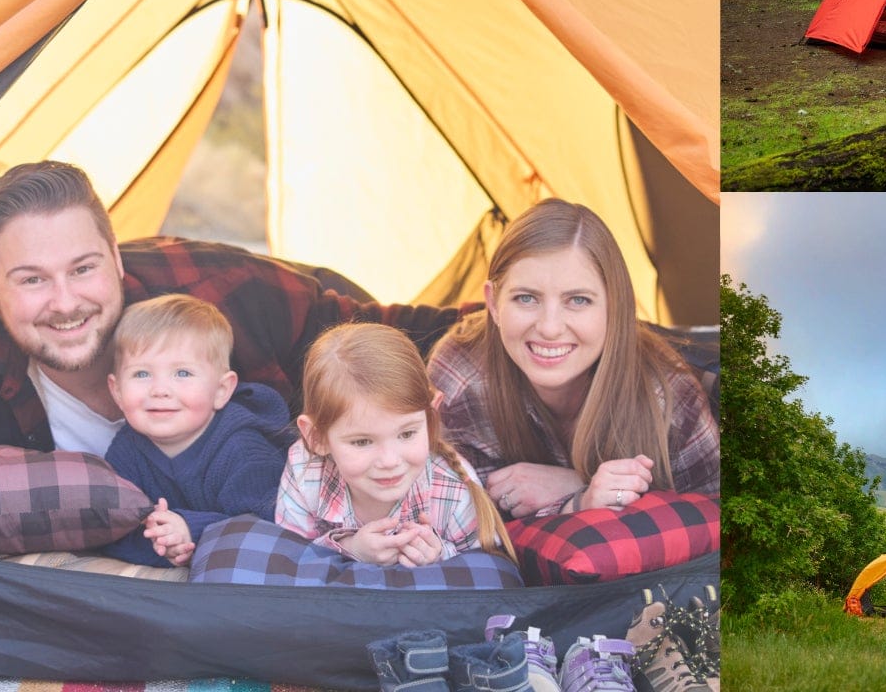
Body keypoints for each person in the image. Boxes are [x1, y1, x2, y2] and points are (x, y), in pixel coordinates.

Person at [0, 160, 465, 459]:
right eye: (31, 280)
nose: (67, 302)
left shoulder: (224, 291)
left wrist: (531, 327)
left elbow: (404, 337)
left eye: (83, 268)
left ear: (116, 260)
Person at [429, 200, 719, 521]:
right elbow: (441, 514)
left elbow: (713, 525)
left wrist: (579, 486)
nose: (550, 328)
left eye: (578, 300)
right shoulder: (462, 374)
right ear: (493, 304)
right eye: (526, 298)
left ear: (615, 307)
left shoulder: (669, 395)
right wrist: (575, 503)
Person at [276, 323, 509, 566]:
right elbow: (291, 562)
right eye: (362, 441)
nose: (389, 461)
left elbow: (489, 571)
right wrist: (347, 548)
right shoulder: (305, 472)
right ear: (317, 437)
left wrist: (441, 557)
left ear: (431, 417)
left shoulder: (452, 490)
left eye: (407, 434)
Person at [100, 294, 292, 567]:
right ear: (117, 391)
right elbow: (113, 533)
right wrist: (164, 544)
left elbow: (274, 530)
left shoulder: (243, 449)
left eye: (182, 373)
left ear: (221, 390)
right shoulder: (125, 451)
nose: (160, 390)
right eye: (142, 374)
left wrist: (193, 530)